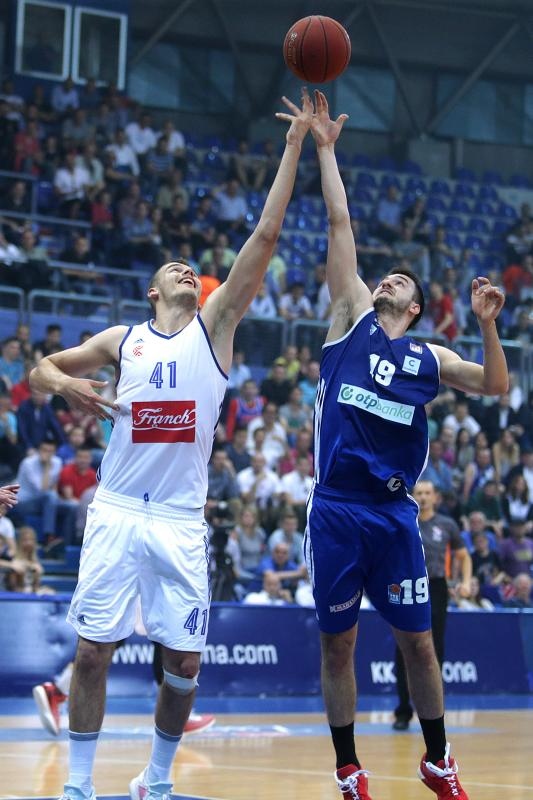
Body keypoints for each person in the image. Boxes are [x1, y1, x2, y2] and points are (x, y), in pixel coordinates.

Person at [29, 90, 313, 800]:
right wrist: (66, 387)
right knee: (92, 655)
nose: (186, 269)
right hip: (120, 507)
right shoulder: (121, 341)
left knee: (182, 665)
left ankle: (154, 784)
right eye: (173, 269)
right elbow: (39, 370)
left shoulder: (211, 329)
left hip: (181, 519)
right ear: (153, 292)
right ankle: (79, 787)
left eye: (193, 268)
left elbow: (265, 238)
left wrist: (293, 146)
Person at [303, 90, 507, 800]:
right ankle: (346, 767)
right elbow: (338, 222)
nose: (385, 277)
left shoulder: (429, 356)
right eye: (381, 276)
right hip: (334, 507)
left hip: (392, 517)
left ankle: (436, 758)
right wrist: (325, 148)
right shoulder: (347, 321)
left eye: (400, 280)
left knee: (417, 642)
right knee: (339, 643)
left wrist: (485, 324)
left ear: (414, 306)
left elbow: (495, 386)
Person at [392, 481, 472, 732]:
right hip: (407, 584)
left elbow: (463, 555)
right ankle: (403, 710)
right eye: (419, 493)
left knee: (434, 648)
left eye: (428, 493)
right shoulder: (403, 519)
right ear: (412, 496)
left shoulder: (447, 524)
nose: (424, 497)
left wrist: (466, 582)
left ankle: (434, 713)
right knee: (403, 647)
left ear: (436, 497)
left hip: (436, 587)